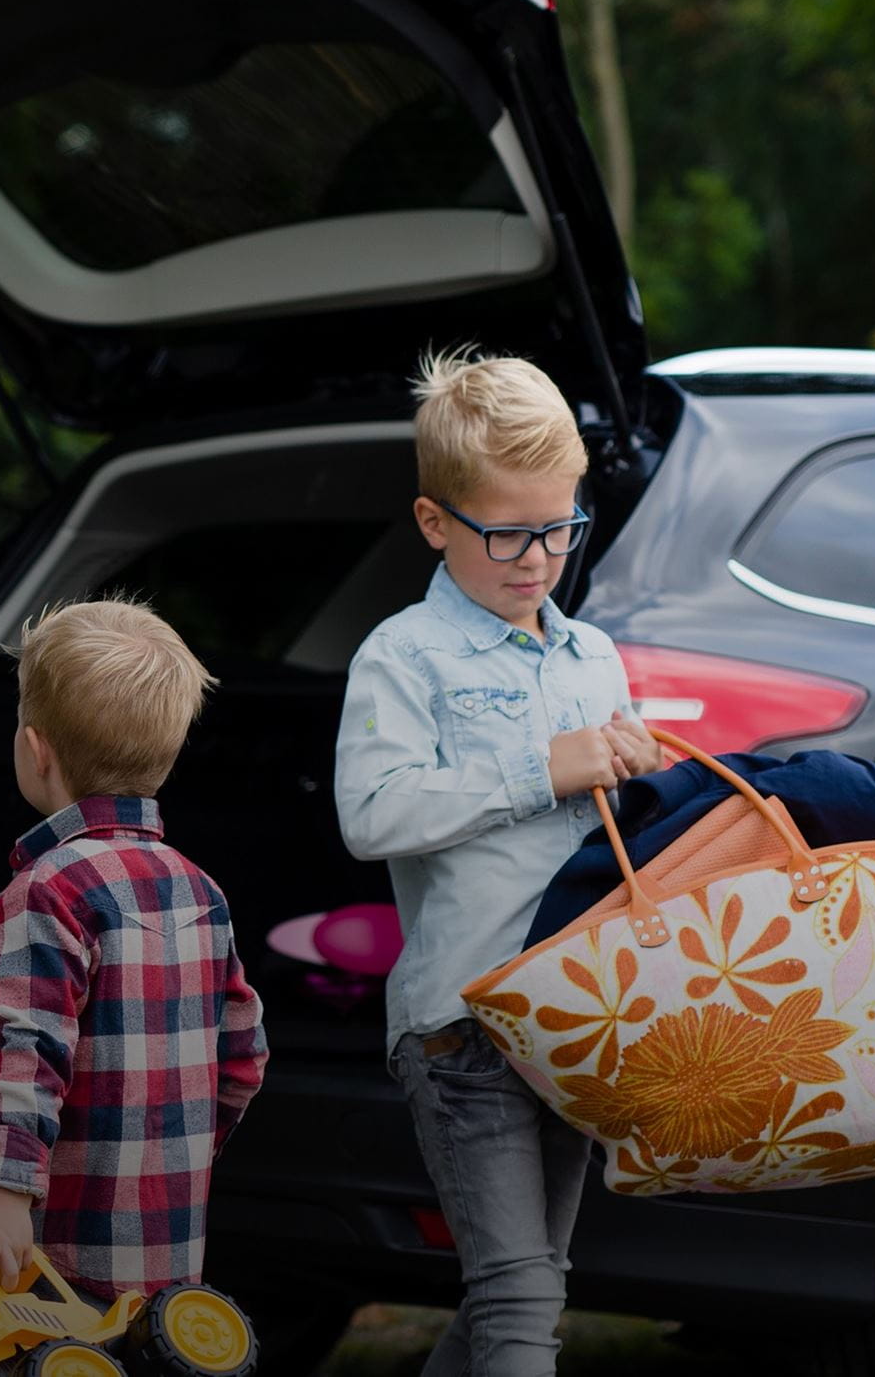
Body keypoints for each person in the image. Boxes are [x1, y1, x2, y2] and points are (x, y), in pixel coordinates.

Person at [332, 350, 657, 1375]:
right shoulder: (402, 655)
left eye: (561, 527)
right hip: (461, 1030)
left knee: (521, 1288)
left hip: (574, 1017)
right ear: (436, 523)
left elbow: (610, 839)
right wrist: (542, 766)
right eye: (509, 533)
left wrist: (638, 780)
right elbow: (371, 815)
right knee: (519, 1297)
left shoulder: (593, 658)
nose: (538, 557)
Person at [0, 599, 271, 1302]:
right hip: (168, 1260)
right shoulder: (200, 891)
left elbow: (30, 1049)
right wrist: (175, 1159)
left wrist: (3, 1189)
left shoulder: (45, 892)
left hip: (44, 1260)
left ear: (37, 748)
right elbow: (244, 1058)